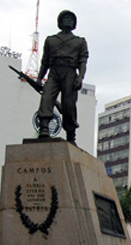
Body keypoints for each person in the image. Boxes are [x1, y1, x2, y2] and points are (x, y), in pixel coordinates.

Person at [36, 10, 89, 145]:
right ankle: (44, 128)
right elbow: (45, 61)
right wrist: (39, 78)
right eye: (65, 18)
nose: (68, 20)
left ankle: (71, 134)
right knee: (46, 98)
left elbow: (83, 61)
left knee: (68, 105)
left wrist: (80, 77)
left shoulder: (79, 41)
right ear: (60, 22)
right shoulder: (51, 40)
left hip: (70, 73)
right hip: (54, 72)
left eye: (71, 18)